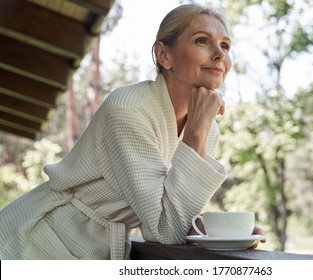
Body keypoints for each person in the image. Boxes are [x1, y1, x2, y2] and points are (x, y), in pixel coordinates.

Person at [0, 4, 263, 260]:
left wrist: (218, 230)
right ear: (164, 55)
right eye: (203, 41)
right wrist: (196, 131)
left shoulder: (206, 126)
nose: (219, 54)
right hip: (35, 244)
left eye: (225, 45)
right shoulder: (128, 108)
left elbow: (169, 216)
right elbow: (165, 229)